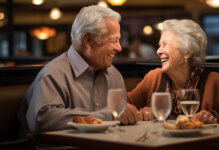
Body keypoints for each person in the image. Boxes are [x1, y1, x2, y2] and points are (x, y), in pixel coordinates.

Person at [20, 5, 139, 133]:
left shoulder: (114, 75)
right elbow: (42, 120)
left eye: (119, 40)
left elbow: (120, 123)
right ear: (88, 40)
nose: (119, 48)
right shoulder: (53, 74)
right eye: (113, 40)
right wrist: (106, 116)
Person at [127, 19, 219, 125]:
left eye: (165, 44)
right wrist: (141, 112)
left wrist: (214, 122)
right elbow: (123, 106)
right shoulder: (154, 78)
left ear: (187, 51)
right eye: (159, 45)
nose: (158, 51)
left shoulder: (213, 83)